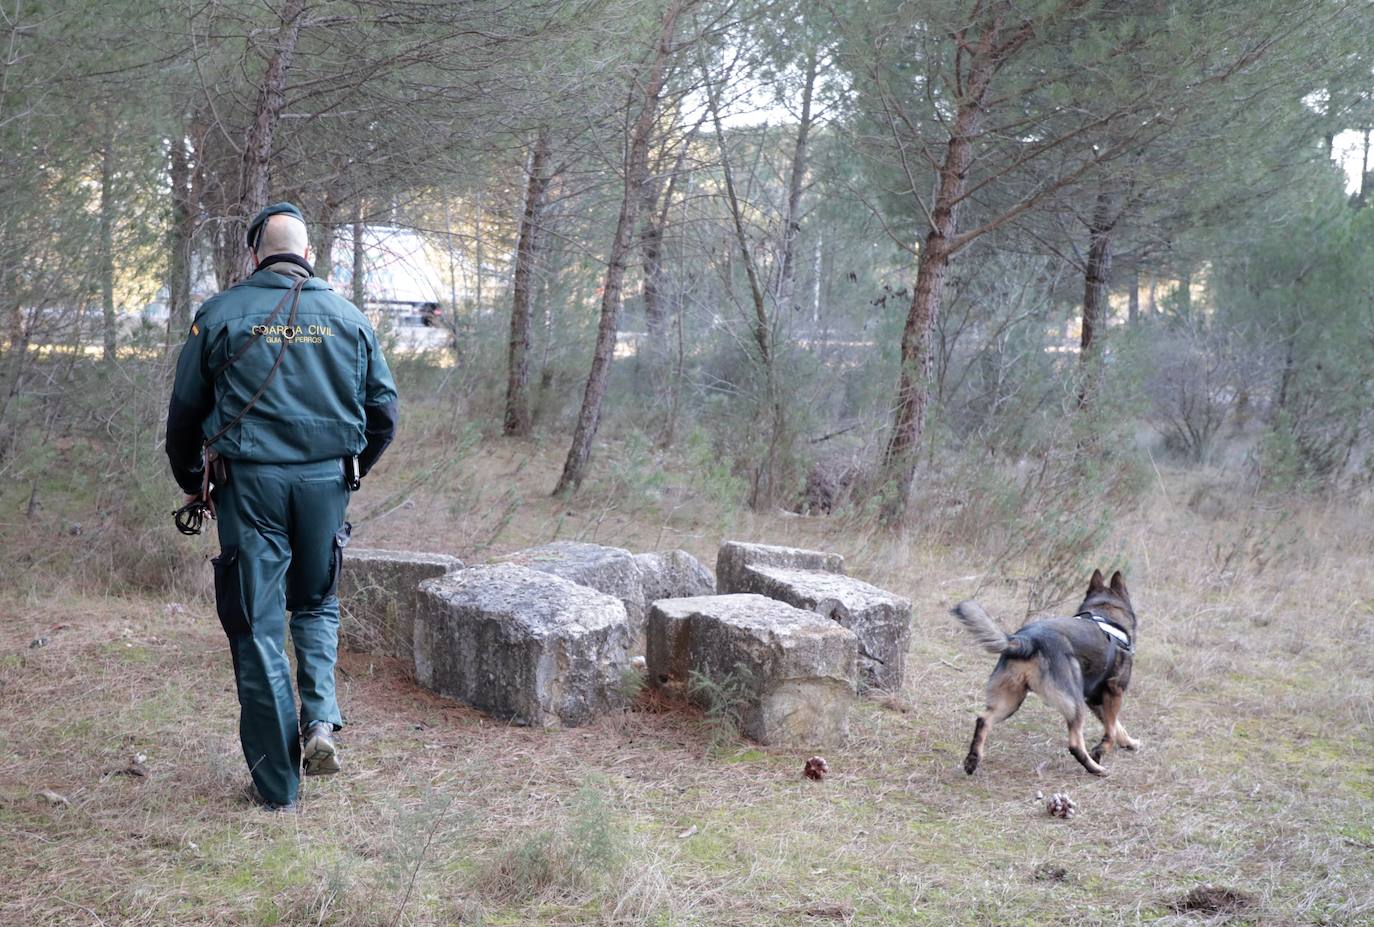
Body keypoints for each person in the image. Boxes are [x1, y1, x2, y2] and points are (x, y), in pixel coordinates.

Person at [165, 202, 398, 812]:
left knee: (258, 624)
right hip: (325, 483)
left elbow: (184, 415)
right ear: (309, 254)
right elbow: (385, 413)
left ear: (254, 255)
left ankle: (277, 789)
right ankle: (321, 719)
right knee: (317, 600)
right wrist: (352, 472)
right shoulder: (349, 318)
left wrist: (193, 481)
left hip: (251, 486)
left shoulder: (218, 314)